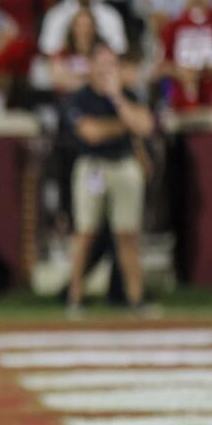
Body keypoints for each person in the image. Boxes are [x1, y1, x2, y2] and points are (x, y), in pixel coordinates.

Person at [64, 45, 155, 315]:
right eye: (101, 65)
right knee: (85, 232)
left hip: (124, 163)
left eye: (111, 65)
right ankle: (74, 297)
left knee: (127, 235)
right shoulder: (80, 98)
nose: (106, 71)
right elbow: (91, 133)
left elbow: (146, 126)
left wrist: (118, 101)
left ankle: (136, 298)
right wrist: (124, 124)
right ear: (90, 67)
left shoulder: (126, 94)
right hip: (93, 166)